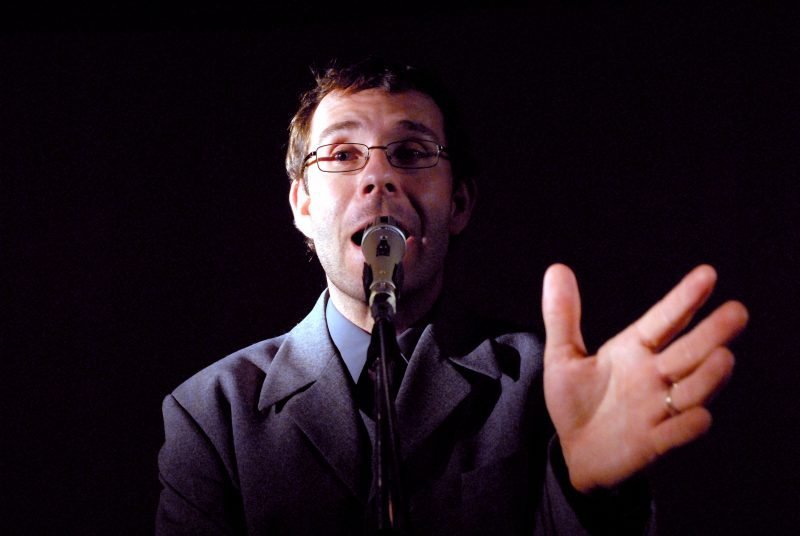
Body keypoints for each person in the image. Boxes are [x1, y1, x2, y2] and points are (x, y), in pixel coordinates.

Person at [155, 57, 748, 535]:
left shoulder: (545, 384)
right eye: (342, 155)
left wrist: (592, 495)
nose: (379, 177)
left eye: (412, 154)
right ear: (303, 205)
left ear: (459, 203)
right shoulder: (210, 413)